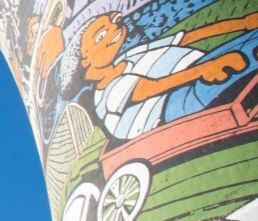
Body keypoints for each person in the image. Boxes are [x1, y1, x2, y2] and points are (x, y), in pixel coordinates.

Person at [59, 11, 258, 140]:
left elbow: (187, 37)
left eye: (113, 23)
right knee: (242, 60)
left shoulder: (130, 55)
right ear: (85, 61)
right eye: (101, 36)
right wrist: (206, 69)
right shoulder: (108, 91)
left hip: (195, 72)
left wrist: (245, 22)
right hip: (173, 106)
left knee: (249, 41)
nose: (116, 27)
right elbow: (151, 88)